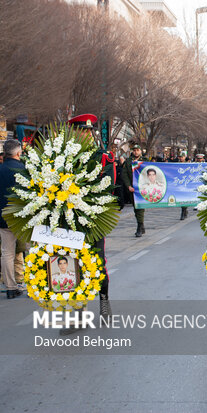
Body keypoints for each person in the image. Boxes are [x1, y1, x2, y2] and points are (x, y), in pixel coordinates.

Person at [64, 113, 115, 329]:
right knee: (72, 264)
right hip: (68, 220)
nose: (85, 135)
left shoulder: (103, 156)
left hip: (94, 219)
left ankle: (104, 302)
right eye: (81, 131)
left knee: (97, 263)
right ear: (73, 133)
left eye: (88, 131)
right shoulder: (62, 157)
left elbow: (109, 187)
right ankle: (78, 313)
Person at [0, 139, 25, 299]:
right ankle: (35, 284)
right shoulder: (24, 169)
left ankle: (10, 287)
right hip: (23, 217)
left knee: (7, 253)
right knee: (30, 251)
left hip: (4, 217)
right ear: (18, 152)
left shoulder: (0, 169)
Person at [121, 144, 148, 237]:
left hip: (143, 188)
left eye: (137, 150)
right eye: (134, 150)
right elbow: (124, 175)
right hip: (133, 188)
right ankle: (141, 224)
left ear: (141, 151)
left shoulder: (145, 161)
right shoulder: (128, 161)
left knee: (140, 207)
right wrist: (128, 186)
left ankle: (139, 226)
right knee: (136, 207)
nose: (136, 152)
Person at [178, 152, 190, 220]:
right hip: (179, 183)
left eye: (182, 157)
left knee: (184, 198)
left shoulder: (187, 164)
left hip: (186, 183)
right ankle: (184, 210)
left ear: (184, 157)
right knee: (180, 198)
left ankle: (184, 211)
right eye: (180, 157)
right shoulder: (177, 164)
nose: (181, 158)